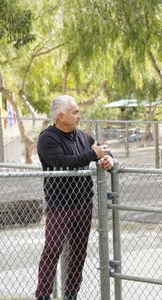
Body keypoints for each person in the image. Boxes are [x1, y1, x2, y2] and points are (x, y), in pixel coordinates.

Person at [35, 95, 113, 300]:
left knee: (79, 252)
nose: (79, 116)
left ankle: (71, 294)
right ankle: (42, 295)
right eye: (75, 112)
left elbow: (103, 151)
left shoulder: (84, 137)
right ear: (61, 115)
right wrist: (92, 155)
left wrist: (107, 159)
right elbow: (60, 162)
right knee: (52, 249)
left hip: (84, 203)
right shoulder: (47, 137)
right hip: (59, 204)